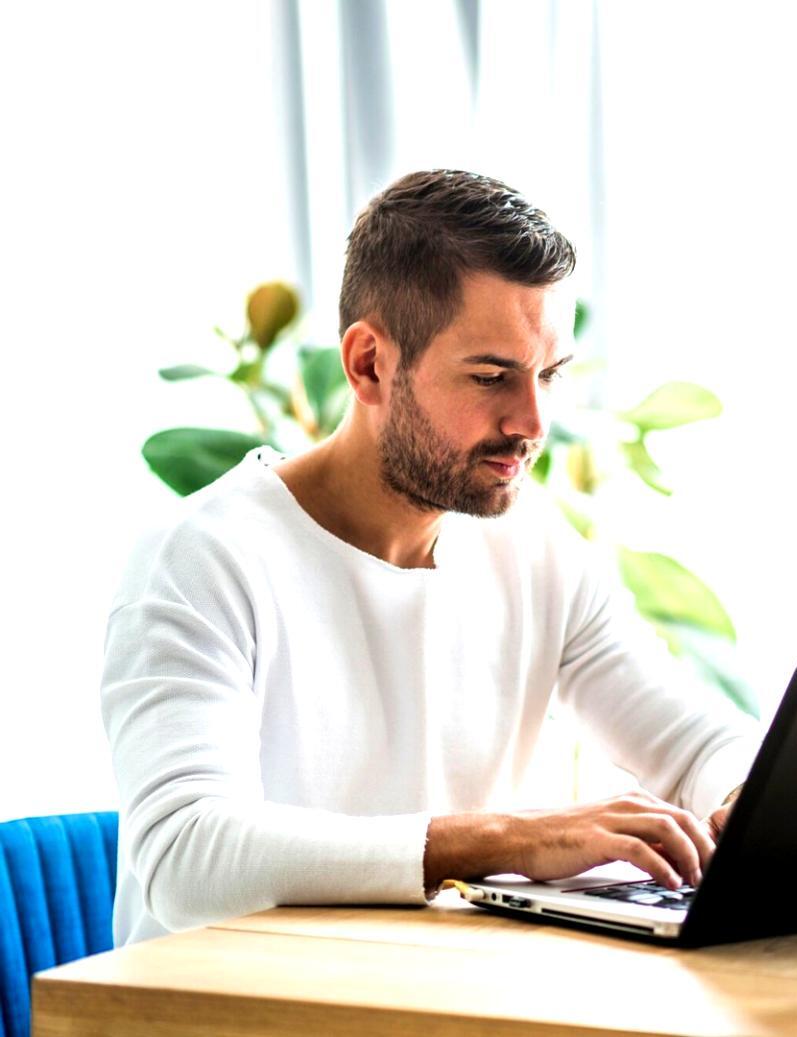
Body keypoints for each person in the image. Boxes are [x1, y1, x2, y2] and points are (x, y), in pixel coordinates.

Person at [101, 169, 757, 946]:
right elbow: (187, 860)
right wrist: (506, 840)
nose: (533, 421)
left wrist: (752, 797)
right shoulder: (202, 560)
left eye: (549, 374)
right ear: (370, 363)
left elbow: (700, 745)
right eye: (492, 377)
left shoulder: (539, 556)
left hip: (432, 1000)